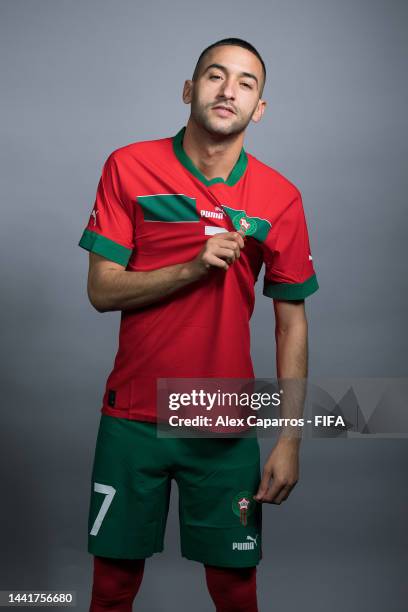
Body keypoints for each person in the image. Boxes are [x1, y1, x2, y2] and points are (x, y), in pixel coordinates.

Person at [78, 37, 319, 612]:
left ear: (258, 108)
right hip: (132, 416)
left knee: (235, 589)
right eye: (215, 76)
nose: (228, 90)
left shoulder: (280, 198)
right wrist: (191, 266)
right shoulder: (129, 166)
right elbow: (100, 290)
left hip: (222, 420)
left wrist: (289, 438)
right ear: (189, 90)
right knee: (111, 587)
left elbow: (292, 325)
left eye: (246, 82)